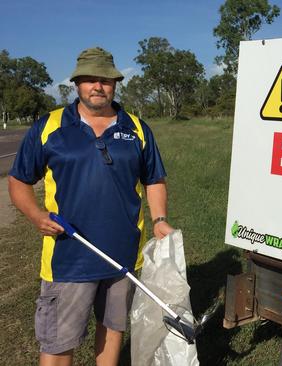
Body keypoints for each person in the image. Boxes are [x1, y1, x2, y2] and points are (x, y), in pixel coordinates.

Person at [8, 47, 174, 366]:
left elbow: (154, 178)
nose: (98, 86)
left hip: (123, 256)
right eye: (90, 79)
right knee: (58, 342)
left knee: (112, 330)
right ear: (77, 84)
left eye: (106, 79)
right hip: (68, 258)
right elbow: (19, 181)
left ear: (115, 84)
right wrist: (35, 214)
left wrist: (160, 219)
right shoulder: (50, 127)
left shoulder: (137, 128)